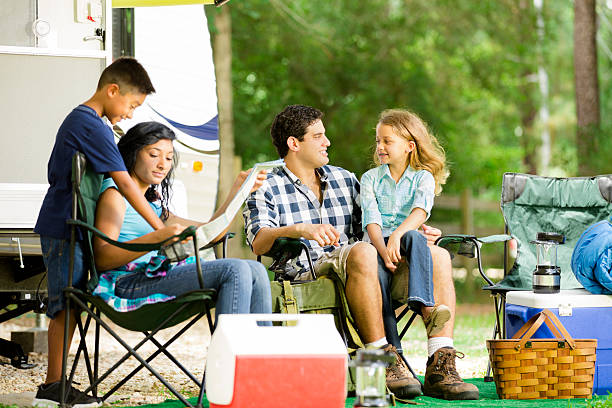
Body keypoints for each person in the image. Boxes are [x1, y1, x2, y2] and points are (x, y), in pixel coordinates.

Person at [243, 105, 478, 401]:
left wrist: (415, 233)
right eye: (318, 136)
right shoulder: (267, 186)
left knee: (437, 255)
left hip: (365, 268)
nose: (327, 142)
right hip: (310, 268)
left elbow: (377, 221)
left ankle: (440, 364)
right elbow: (258, 241)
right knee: (363, 251)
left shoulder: (344, 179)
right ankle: (382, 362)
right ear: (294, 143)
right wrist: (300, 229)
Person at [33, 58, 164, 408]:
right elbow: (124, 182)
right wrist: (161, 229)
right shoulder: (91, 125)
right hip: (64, 226)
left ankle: (57, 385)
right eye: (132, 104)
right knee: (66, 303)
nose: (131, 114)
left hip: (71, 225)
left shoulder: (88, 122)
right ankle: (51, 389)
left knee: (72, 302)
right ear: (112, 90)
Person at [92, 121, 272, 323]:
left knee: (256, 269)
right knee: (235, 269)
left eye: (169, 157)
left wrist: (238, 190)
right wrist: (156, 239)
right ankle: (228, 353)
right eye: (154, 155)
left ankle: (260, 353)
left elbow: (212, 232)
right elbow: (102, 259)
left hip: (151, 276)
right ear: (132, 153)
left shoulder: (153, 206)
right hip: (125, 283)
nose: (163, 164)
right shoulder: (115, 195)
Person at [361, 109, 477, 400]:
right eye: (378, 141)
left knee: (418, 238)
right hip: (375, 244)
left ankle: (425, 308)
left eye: (387, 141)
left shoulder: (422, 178)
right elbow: (371, 220)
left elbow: (420, 212)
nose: (379, 147)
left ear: (409, 146)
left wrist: (399, 235)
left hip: (408, 239)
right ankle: (392, 357)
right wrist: (382, 247)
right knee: (376, 273)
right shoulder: (370, 179)